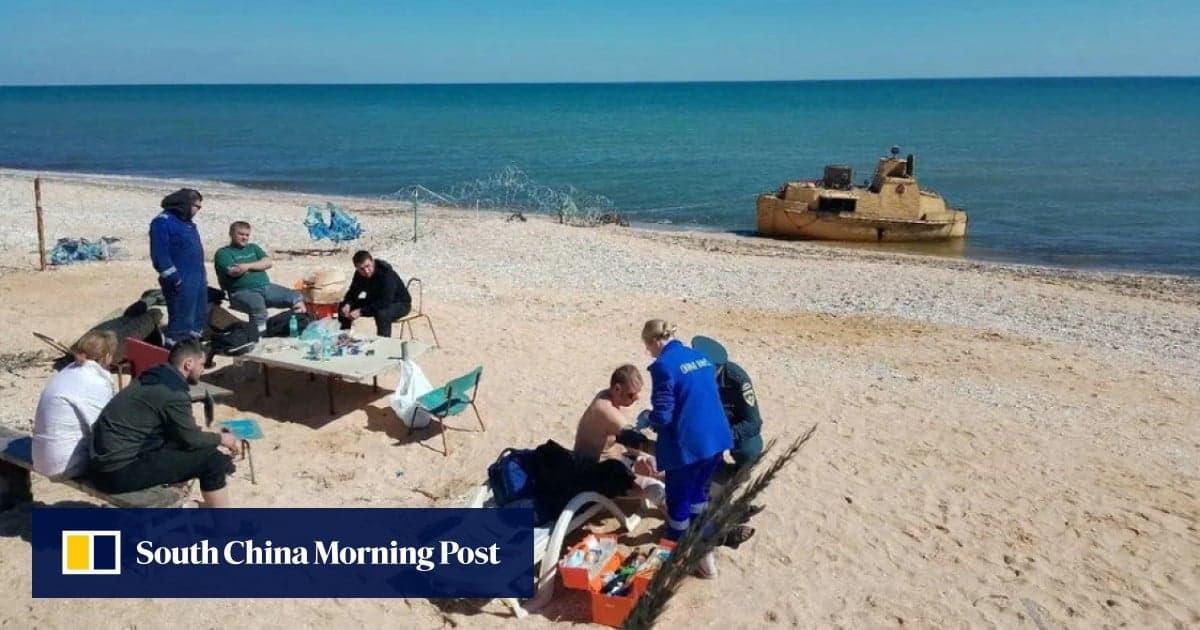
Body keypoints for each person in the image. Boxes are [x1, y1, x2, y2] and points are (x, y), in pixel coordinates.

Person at [90, 339, 240, 507]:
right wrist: (221, 438)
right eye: (202, 364)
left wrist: (208, 436)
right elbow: (192, 439)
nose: (203, 370)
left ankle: (188, 503)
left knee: (188, 447)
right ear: (188, 364)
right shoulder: (172, 393)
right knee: (213, 461)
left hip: (103, 465)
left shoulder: (154, 376)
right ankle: (224, 525)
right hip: (117, 473)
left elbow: (181, 433)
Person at [639, 319, 732, 577]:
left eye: (648, 347)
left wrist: (649, 418)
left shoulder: (663, 367)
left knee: (678, 505)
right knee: (699, 497)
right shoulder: (700, 356)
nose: (649, 352)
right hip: (715, 439)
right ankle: (707, 554)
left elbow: (664, 415)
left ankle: (675, 559)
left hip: (688, 447)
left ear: (654, 341)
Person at [573, 365, 667, 509]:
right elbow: (634, 439)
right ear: (617, 389)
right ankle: (682, 526)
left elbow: (620, 440)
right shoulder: (606, 411)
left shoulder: (607, 396)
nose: (636, 398)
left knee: (663, 469)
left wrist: (645, 457)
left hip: (616, 458)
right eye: (631, 395)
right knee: (657, 489)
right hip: (594, 473)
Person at [32, 331, 118, 479]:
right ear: (107, 356)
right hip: (63, 464)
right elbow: (103, 429)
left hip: (40, 457)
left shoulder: (68, 371)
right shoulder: (95, 381)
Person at [213, 221, 305, 332]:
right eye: (241, 234)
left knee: (295, 297)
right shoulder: (223, 253)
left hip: (266, 287)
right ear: (231, 234)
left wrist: (247, 266)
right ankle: (258, 335)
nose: (244, 238)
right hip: (242, 291)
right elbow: (234, 271)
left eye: (247, 235)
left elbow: (268, 263)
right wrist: (258, 266)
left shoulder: (253, 248)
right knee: (258, 309)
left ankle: (293, 328)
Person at [691, 336, 764, 468]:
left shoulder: (738, 380)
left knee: (750, 451)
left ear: (718, 369)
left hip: (733, 423)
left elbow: (754, 423)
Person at [150, 188, 207, 346]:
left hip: (197, 279)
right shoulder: (162, 222)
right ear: (185, 204)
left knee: (197, 317)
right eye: (197, 206)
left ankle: (192, 350)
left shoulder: (187, 223)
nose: (198, 211)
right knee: (181, 320)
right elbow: (159, 256)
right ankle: (173, 351)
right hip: (180, 281)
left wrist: (202, 278)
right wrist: (175, 279)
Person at [338, 250, 412, 337]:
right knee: (343, 307)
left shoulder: (386, 273)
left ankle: (383, 344)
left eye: (368, 266)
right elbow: (353, 292)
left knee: (382, 314)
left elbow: (385, 301)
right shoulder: (359, 275)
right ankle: (344, 338)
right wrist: (348, 304)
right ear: (357, 268)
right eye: (362, 269)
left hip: (399, 303)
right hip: (375, 301)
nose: (366, 271)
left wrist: (361, 311)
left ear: (372, 262)